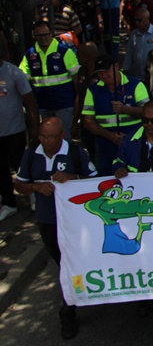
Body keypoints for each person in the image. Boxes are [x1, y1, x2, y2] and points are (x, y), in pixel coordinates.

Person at [15, 117, 96, 339]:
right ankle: (75, 294)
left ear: (62, 136)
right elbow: (20, 184)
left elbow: (96, 183)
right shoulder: (32, 154)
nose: (46, 141)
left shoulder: (76, 153)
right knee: (61, 262)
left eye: (51, 136)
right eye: (42, 136)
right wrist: (34, 186)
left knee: (72, 262)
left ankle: (67, 313)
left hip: (74, 220)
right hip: (47, 219)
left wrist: (73, 178)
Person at [81, 55, 148, 176]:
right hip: (105, 145)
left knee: (137, 175)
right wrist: (110, 136)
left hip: (134, 143)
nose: (103, 75)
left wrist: (126, 109)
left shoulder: (136, 84)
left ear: (116, 66)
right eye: (99, 73)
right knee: (106, 178)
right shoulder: (92, 90)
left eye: (106, 71)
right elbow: (88, 121)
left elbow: (148, 112)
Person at [20, 21, 81, 139]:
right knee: (45, 138)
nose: (43, 38)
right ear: (34, 36)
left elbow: (76, 79)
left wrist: (77, 101)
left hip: (64, 104)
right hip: (42, 105)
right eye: (40, 35)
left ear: (51, 34)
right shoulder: (30, 54)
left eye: (46, 34)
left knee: (64, 137)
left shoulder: (64, 51)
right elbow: (22, 79)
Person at [0, 40, 39, 221]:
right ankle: (9, 203)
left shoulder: (13, 72)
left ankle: (32, 195)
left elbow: (30, 102)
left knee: (20, 165)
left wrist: (34, 129)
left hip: (14, 130)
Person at [122, 7, 153, 80]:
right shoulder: (133, 34)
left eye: (139, 20)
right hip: (137, 77)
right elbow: (129, 54)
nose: (136, 23)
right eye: (135, 20)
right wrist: (125, 70)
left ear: (147, 19)